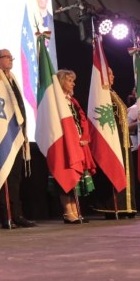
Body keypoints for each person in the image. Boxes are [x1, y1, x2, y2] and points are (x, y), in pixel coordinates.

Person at [0, 49, 36, 229]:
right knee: (4, 177)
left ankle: (17, 214)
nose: (10, 60)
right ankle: (7, 216)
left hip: (18, 135)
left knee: (15, 178)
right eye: (6, 57)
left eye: (11, 57)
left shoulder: (12, 79)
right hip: (3, 136)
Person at [92, 67, 137, 218]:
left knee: (126, 174)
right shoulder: (102, 95)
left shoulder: (112, 93)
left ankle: (127, 206)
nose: (113, 76)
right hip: (113, 141)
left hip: (123, 141)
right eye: (109, 74)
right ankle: (114, 207)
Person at [52, 70, 96, 223]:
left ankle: (76, 211)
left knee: (75, 177)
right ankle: (68, 212)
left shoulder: (73, 101)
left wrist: (84, 137)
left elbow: (81, 120)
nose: (73, 84)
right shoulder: (56, 101)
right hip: (64, 145)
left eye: (73, 80)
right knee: (66, 176)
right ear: (61, 82)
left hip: (77, 144)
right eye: (70, 80)